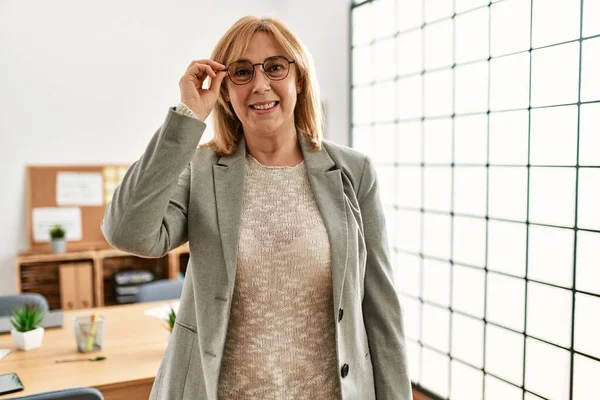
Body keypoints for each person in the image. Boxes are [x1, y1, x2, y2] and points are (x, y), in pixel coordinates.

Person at [102, 15, 412, 400]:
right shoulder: (201, 170)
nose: (261, 84)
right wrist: (188, 118)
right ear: (226, 91)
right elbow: (127, 231)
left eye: (276, 67)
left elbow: (381, 310)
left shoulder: (354, 171)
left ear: (298, 78)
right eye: (242, 72)